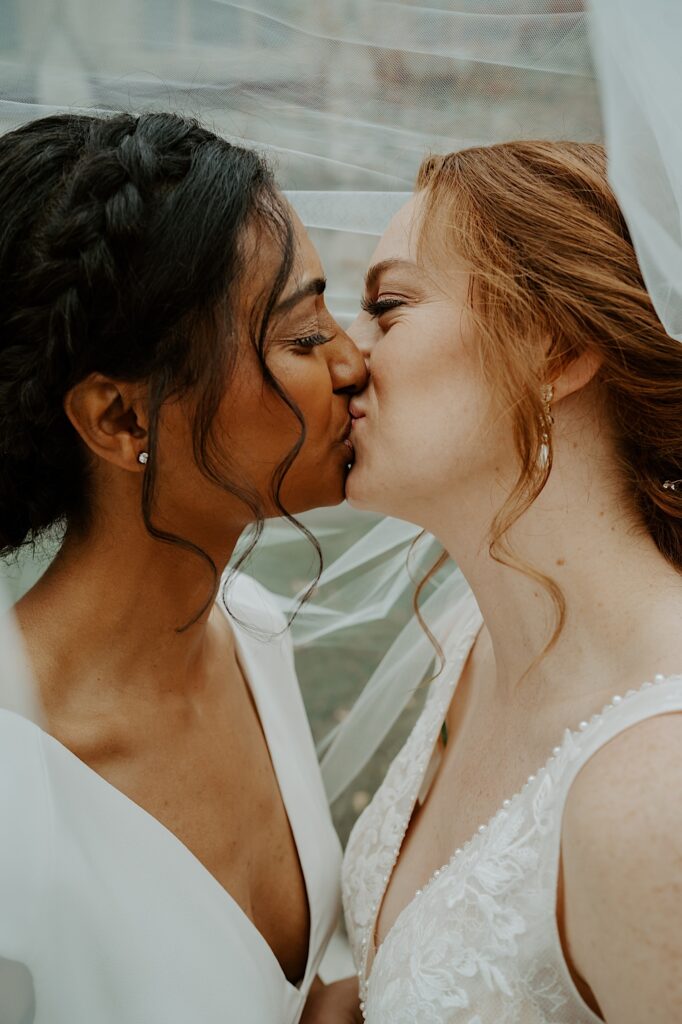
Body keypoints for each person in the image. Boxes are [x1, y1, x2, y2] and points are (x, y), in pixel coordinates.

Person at [0, 110, 365, 1024]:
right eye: (303, 335)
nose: (354, 362)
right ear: (121, 421)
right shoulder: (15, 797)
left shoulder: (251, 625)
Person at [337, 141, 682, 1023]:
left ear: (555, 348)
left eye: (389, 306)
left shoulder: (660, 795)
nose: (344, 360)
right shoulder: (473, 636)